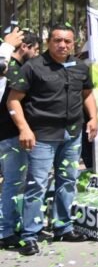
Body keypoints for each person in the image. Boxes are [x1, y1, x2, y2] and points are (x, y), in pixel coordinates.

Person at [5, 25, 97, 255]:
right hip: (42, 136)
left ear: (73, 43)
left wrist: (94, 117)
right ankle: (29, 234)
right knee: (37, 185)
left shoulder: (80, 67)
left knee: (67, 181)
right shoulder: (33, 67)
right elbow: (13, 101)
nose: (62, 45)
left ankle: (63, 227)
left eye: (67, 41)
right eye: (57, 40)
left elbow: (87, 94)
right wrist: (24, 129)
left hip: (71, 135)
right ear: (49, 42)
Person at [0, 32, 40, 252]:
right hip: (10, 134)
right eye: (34, 49)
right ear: (25, 46)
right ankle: (5, 232)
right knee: (13, 184)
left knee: (12, 183)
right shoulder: (13, 69)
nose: (35, 55)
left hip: (7, 134)